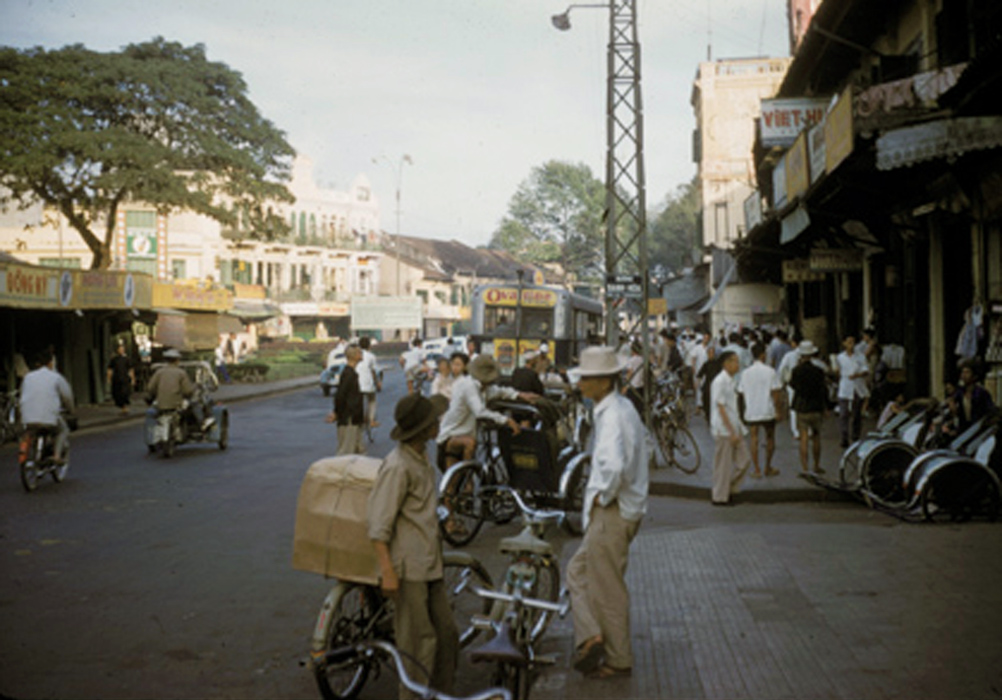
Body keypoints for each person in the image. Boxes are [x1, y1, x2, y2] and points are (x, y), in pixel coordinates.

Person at [566, 346, 649, 680]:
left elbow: (614, 466)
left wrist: (604, 496)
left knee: (608, 587)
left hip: (613, 512)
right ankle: (591, 635)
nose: (581, 385)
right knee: (577, 571)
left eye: (586, 378)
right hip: (619, 510)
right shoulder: (619, 407)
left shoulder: (613, 413)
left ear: (603, 381)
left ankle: (618, 658)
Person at [368, 393, 457, 700]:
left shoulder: (421, 456)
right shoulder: (397, 466)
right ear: (422, 428)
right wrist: (388, 571)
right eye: (433, 420)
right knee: (418, 644)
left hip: (429, 562)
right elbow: (379, 526)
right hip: (409, 568)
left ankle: (439, 695)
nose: (438, 423)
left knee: (446, 636)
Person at [435, 355, 536, 469]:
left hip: (465, 434)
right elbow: (479, 411)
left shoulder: (481, 387)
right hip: (450, 435)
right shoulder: (468, 385)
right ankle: (468, 471)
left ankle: (468, 475)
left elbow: (498, 391)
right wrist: (506, 420)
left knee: (467, 485)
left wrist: (519, 394)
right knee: (469, 446)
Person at [20, 348, 75, 465]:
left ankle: (34, 453)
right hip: (48, 417)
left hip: (27, 417)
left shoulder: (28, 377)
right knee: (62, 430)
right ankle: (56, 456)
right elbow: (67, 397)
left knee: (32, 431)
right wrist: (71, 411)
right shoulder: (56, 377)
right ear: (51, 363)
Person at [709, 350, 750, 505]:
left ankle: (728, 487)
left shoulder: (731, 381)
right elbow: (721, 408)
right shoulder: (720, 381)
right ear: (726, 364)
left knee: (744, 460)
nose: (737, 365)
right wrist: (731, 431)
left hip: (734, 426)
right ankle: (719, 496)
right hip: (724, 429)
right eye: (734, 361)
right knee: (723, 465)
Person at [737, 343, 784, 478]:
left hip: (752, 411)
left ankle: (757, 469)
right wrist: (778, 410)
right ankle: (767, 467)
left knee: (754, 439)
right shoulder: (770, 371)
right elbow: (776, 393)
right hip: (768, 410)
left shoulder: (745, 373)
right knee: (770, 438)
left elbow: (741, 392)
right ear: (763, 355)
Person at [789, 340, 829, 474]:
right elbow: (823, 389)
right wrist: (826, 407)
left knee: (804, 438)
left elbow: (792, 385)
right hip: (816, 407)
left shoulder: (796, 371)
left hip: (802, 407)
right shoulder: (819, 371)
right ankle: (816, 465)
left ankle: (805, 468)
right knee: (816, 437)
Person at [146, 349, 206, 429]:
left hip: (161, 405)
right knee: (195, 404)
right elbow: (188, 391)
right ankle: (201, 424)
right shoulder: (181, 373)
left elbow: (150, 388)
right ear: (177, 360)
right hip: (176, 404)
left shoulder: (159, 372)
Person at [327, 346, 365, 455]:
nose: (361, 354)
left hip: (354, 417)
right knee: (346, 451)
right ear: (355, 355)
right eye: (359, 352)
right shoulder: (349, 374)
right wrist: (336, 412)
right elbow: (340, 396)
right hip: (349, 417)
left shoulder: (351, 373)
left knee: (359, 450)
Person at [836, 334, 869, 448]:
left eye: (853, 342)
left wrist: (858, 375)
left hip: (857, 387)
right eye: (849, 342)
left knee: (856, 414)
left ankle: (855, 436)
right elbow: (839, 370)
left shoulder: (861, 357)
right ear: (844, 343)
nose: (851, 345)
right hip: (845, 387)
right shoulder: (840, 357)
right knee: (843, 414)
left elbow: (866, 370)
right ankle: (844, 437)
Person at [947, 360, 996, 434]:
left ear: (974, 375)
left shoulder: (981, 393)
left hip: (978, 429)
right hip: (964, 430)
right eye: (963, 372)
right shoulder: (960, 393)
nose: (964, 375)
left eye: (967, 372)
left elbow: (990, 411)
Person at [357, 337, 381, 430]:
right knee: (372, 400)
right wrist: (377, 382)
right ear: (369, 346)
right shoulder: (371, 356)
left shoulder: (356, 354)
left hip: (356, 382)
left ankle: (361, 418)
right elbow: (374, 371)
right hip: (367, 383)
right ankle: (371, 420)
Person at [106, 342, 135, 414]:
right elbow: (110, 369)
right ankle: (122, 407)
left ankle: (124, 407)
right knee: (117, 393)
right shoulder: (114, 359)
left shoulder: (127, 359)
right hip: (116, 379)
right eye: (120, 349)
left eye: (123, 349)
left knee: (125, 393)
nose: (121, 350)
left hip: (125, 378)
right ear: (117, 350)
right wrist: (109, 378)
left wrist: (132, 379)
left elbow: (131, 369)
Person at [697, 345, 722, 424]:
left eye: (712, 353)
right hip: (707, 386)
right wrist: (698, 385)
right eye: (709, 353)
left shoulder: (718, 364)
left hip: (717, 387)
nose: (711, 355)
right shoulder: (706, 364)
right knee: (707, 403)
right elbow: (699, 375)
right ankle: (708, 418)